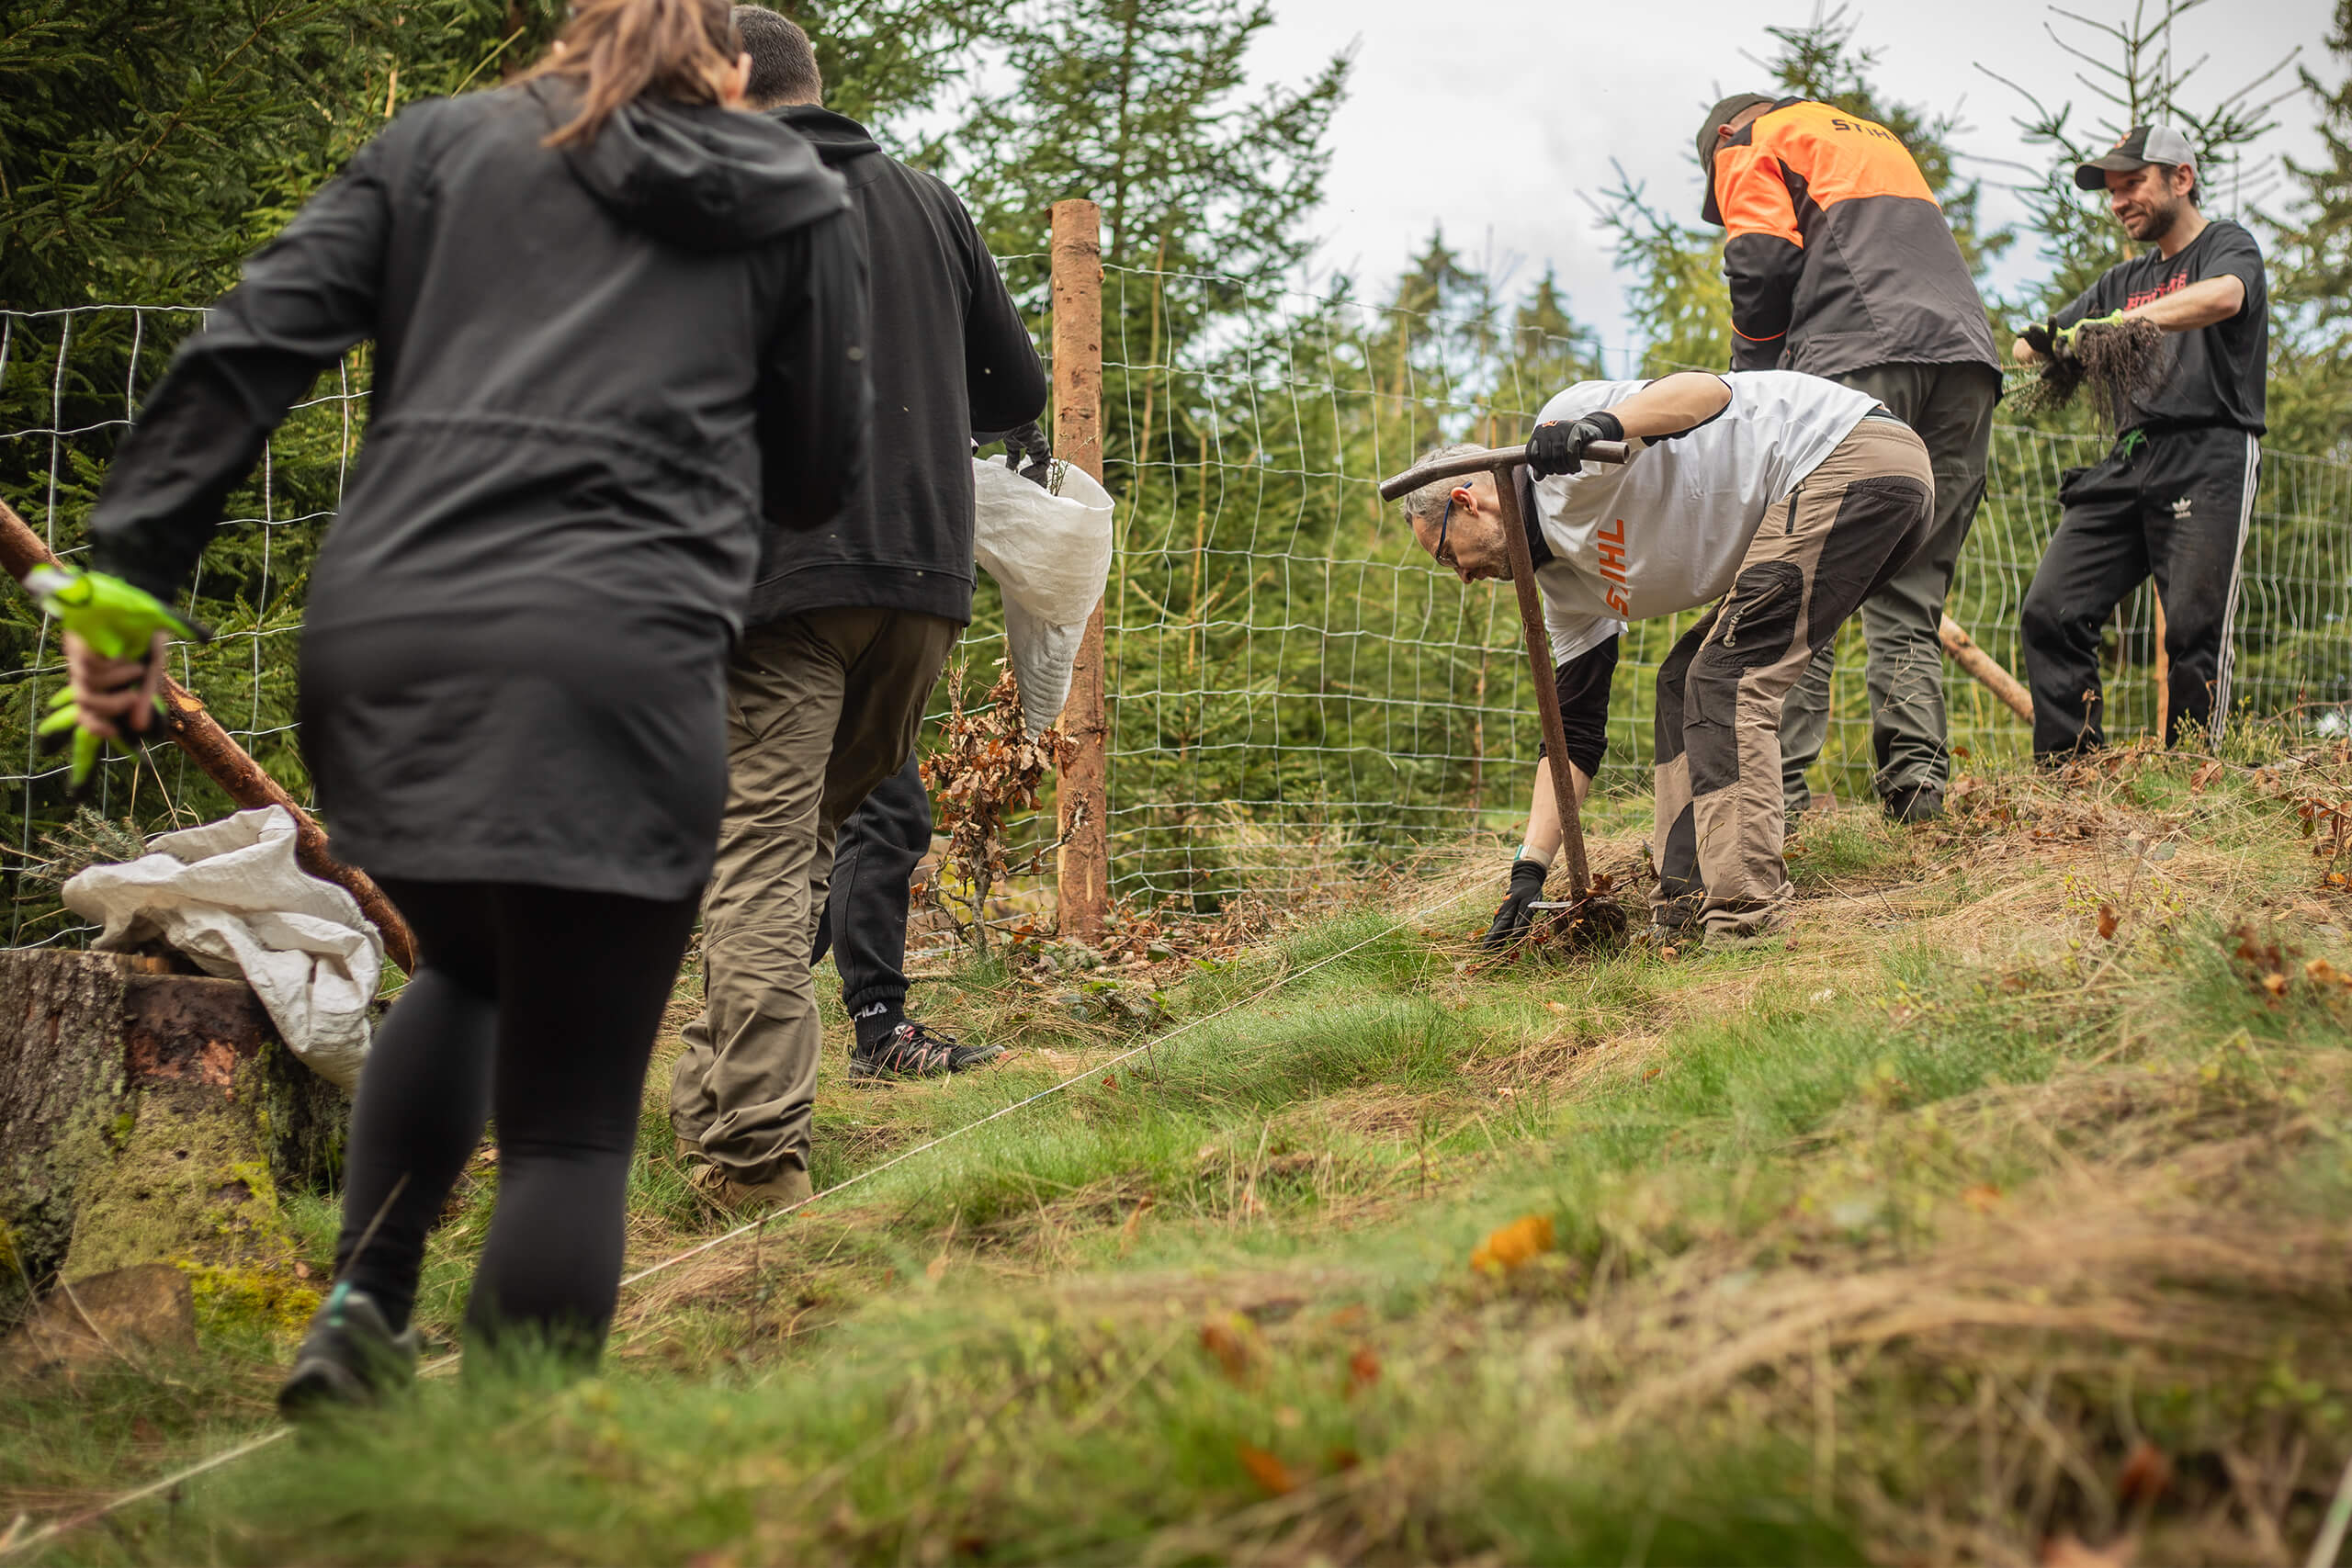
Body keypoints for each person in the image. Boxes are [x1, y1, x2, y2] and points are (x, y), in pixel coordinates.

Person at [65, 0, 869, 1405]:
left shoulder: (437, 148)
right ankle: (502, 1471)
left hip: (393, 635)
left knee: (469, 962)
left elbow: (247, 349)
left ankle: (361, 1311)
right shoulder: (791, 197)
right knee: (569, 1126)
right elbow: (816, 474)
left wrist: (126, 589)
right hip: (624, 648)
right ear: (731, 64)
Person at [666, 7, 1048, 1213]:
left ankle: (756, 1163)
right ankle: (714, 1104)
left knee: (760, 858)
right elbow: (1018, 387)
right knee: (798, 848)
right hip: (923, 592)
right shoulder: (927, 199)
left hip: (786, 584)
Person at [1405, 371, 1932, 946]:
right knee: (1682, 682)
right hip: (1836, 492)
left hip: (1850, 459)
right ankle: (1681, 912)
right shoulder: (1562, 590)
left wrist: (1604, 425)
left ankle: (1743, 919)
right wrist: (1528, 872)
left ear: (1467, 502)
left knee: (1726, 679)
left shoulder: (1562, 451)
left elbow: (1710, 393)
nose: (1461, 575)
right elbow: (1574, 735)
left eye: (1445, 554)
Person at [1695, 92, 2002, 824]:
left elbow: (1763, 261)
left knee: (1804, 586)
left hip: (1860, 363)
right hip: (1966, 365)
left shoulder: (1749, 137)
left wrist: (1751, 382)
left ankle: (1780, 811)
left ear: (1718, 144)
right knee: (1911, 595)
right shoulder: (1869, 139)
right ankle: (1918, 799)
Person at [2015, 125, 2268, 757]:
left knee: (2191, 628)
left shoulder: (2225, 247)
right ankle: (2071, 773)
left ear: (2181, 178)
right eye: (2111, 190)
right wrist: (2060, 344)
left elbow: (2225, 296)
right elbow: (2028, 345)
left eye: (2132, 184)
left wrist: (2127, 322)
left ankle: (2190, 779)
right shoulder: (2120, 280)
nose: (2118, 200)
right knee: (2053, 610)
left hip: (2209, 453)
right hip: (2129, 459)